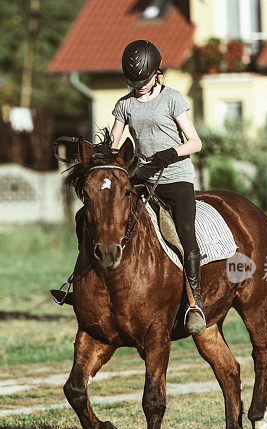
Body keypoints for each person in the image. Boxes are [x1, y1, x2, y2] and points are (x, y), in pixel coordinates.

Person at [52, 39, 206, 334]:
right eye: (133, 82)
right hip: (140, 177)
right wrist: (92, 158)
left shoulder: (172, 99)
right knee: (86, 218)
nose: (138, 86)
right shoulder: (124, 105)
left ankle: (194, 302)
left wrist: (171, 153)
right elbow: (112, 145)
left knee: (185, 233)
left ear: (156, 73)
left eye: (143, 81)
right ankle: (80, 285)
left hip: (175, 176)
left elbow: (196, 142)